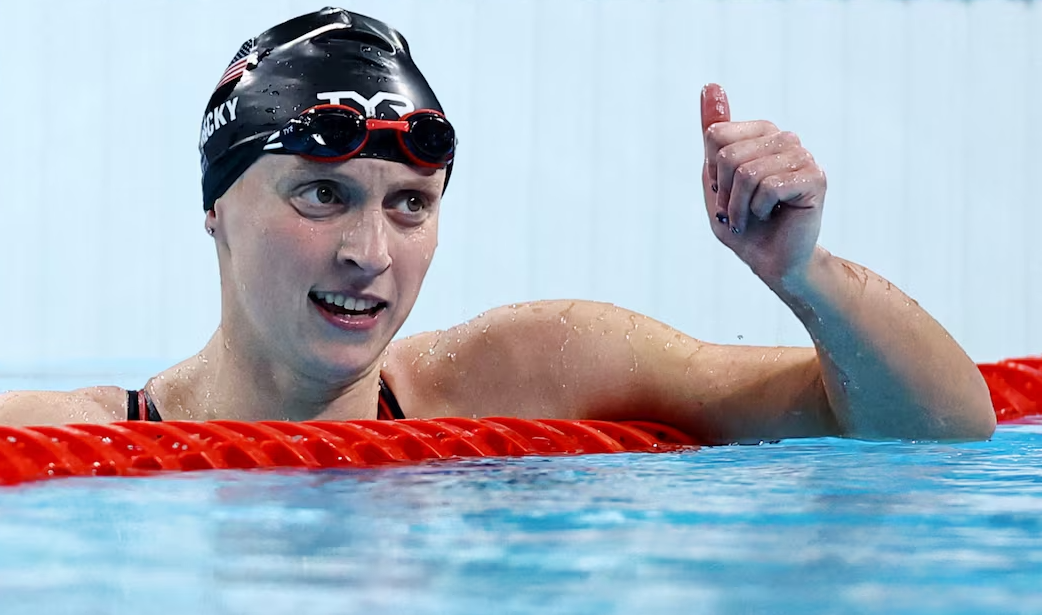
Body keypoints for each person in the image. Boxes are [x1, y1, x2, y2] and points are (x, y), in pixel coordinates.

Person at [0, 7, 995, 443]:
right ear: (215, 209)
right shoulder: (82, 445)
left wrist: (805, 274)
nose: (369, 253)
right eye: (321, 195)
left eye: (409, 205)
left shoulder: (529, 373)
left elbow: (943, 432)